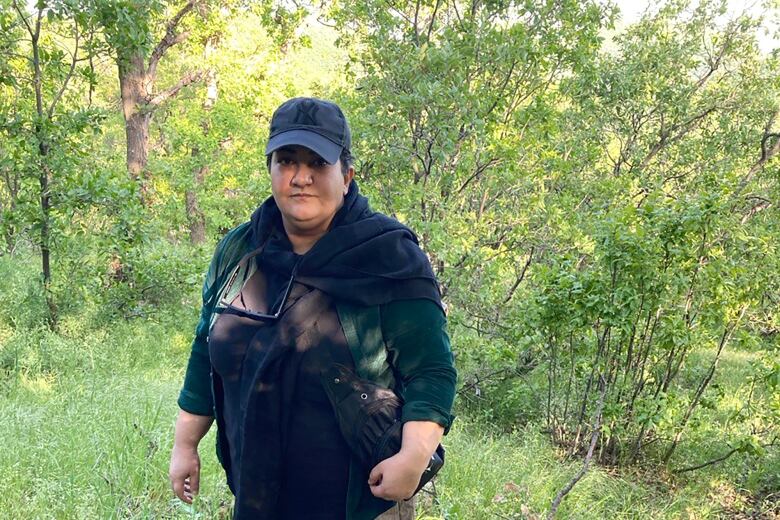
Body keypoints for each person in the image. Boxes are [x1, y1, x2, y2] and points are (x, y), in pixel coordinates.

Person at [168, 97, 457, 520]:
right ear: (270, 170)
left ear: (346, 176)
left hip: (359, 502)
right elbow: (204, 347)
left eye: (317, 164)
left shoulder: (389, 259)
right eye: (286, 161)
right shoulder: (240, 251)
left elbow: (431, 370)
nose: (301, 177)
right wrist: (185, 444)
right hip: (259, 490)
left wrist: (412, 458)